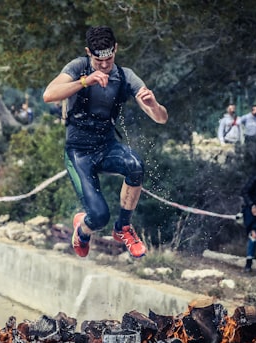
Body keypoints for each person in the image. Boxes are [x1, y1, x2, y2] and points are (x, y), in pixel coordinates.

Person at [43, 25, 168, 258]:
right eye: (99, 60)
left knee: (136, 165)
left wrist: (152, 105)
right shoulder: (78, 67)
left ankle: (123, 228)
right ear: (89, 52)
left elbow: (161, 118)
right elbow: (48, 95)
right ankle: (82, 230)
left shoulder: (125, 75)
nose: (104, 65)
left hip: (106, 146)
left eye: (109, 58)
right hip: (79, 153)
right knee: (99, 217)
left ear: (116, 49)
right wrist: (84, 82)